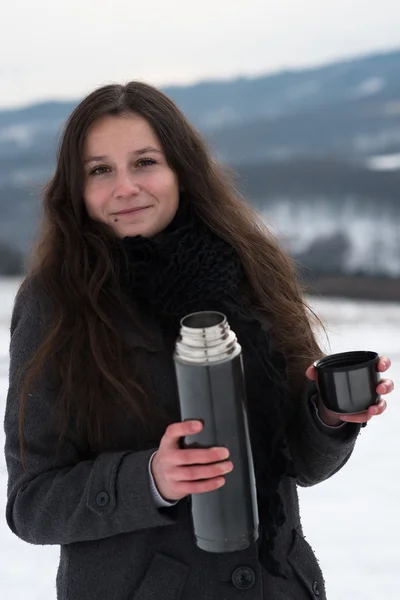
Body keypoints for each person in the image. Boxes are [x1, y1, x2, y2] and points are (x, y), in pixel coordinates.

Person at [4, 81, 394, 600]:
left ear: (181, 170)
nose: (125, 187)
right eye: (100, 170)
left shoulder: (250, 268)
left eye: (145, 162)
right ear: (76, 189)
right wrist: (149, 478)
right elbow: (32, 504)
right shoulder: (55, 303)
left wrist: (327, 416)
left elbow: (299, 465)